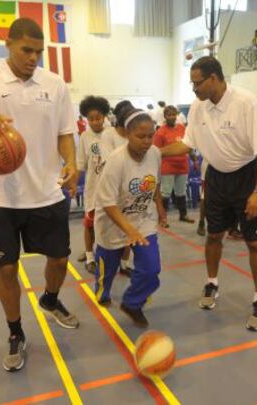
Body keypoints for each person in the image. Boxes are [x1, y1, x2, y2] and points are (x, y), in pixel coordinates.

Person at [0, 18, 79, 372]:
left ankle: (50, 298)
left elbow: (65, 132)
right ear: (7, 43)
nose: (33, 58)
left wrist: (71, 162)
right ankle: (16, 333)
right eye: (26, 50)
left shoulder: (54, 84)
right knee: (7, 269)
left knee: (59, 260)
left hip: (47, 192)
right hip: (2, 197)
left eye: (39, 52)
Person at [162, 56, 257, 331]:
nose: (194, 89)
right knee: (213, 236)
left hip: (247, 178)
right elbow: (186, 145)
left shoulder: (246, 103)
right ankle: (212, 283)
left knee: (254, 242)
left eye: (197, 83)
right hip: (216, 181)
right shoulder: (199, 107)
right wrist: (154, 152)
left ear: (214, 78)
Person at [94, 108, 167, 328]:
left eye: (150, 135)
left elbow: (154, 184)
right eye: (140, 136)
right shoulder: (116, 161)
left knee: (151, 269)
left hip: (143, 220)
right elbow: (107, 204)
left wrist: (160, 208)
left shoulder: (155, 153)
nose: (147, 141)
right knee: (107, 271)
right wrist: (129, 231)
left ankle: (132, 303)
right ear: (127, 134)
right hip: (112, 224)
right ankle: (103, 290)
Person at [101, 100, 135, 277]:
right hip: (113, 191)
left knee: (128, 230)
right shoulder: (109, 135)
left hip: (130, 191)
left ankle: (124, 263)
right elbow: (109, 162)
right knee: (112, 234)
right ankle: (106, 267)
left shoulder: (133, 134)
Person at [77, 95, 110, 274]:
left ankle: (108, 255)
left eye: (98, 118)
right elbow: (81, 163)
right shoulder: (84, 136)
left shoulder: (112, 133)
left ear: (104, 116)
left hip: (111, 189)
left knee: (108, 225)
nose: (95, 122)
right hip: (93, 188)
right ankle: (90, 256)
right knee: (89, 224)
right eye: (91, 119)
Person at [153, 105, 194, 224]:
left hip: (182, 165)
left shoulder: (182, 128)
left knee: (181, 192)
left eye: (173, 114)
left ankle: (183, 215)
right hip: (168, 166)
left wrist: (194, 159)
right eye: (169, 115)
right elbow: (156, 151)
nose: (172, 117)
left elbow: (188, 145)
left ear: (177, 115)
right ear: (165, 116)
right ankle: (163, 218)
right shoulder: (160, 132)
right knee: (165, 192)